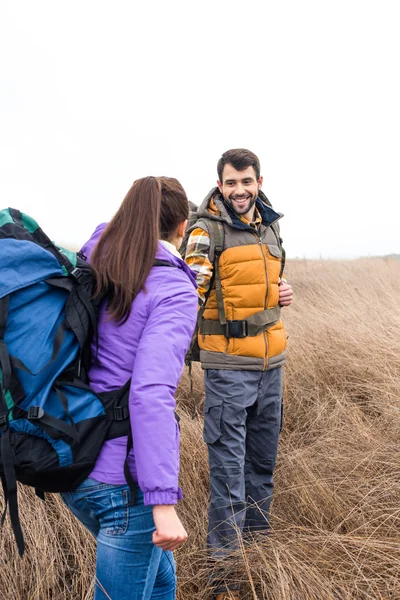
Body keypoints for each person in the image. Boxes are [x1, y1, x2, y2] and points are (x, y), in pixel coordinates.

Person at [61, 177, 198, 600]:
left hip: (74, 459)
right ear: (182, 228)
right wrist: (162, 504)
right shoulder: (173, 288)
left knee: (160, 583)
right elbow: (151, 394)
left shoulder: (97, 260)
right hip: (123, 484)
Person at [184, 149, 293, 600]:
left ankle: (258, 560)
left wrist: (281, 291)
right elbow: (187, 296)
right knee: (229, 477)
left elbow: (262, 282)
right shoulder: (204, 230)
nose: (239, 191)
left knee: (262, 469)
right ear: (220, 185)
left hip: (273, 366)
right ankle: (225, 581)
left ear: (259, 181)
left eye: (246, 182)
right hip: (229, 370)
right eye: (231, 183)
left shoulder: (269, 224)